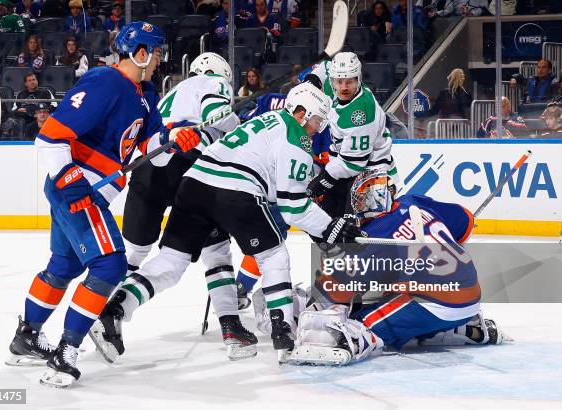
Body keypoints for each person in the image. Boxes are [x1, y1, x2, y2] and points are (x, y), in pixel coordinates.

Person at [89, 82, 366, 363]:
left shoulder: (265, 120)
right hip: (235, 190)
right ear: (301, 112)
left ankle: (114, 311)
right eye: (317, 120)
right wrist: (331, 227)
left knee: (171, 261)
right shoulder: (297, 138)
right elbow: (292, 207)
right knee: (273, 254)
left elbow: (273, 185)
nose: (317, 129)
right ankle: (285, 334)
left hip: (194, 183)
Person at [4, 22, 190, 388]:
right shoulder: (106, 82)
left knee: (64, 265)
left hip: (85, 191)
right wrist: (73, 185)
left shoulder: (145, 92)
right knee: (110, 266)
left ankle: (25, 337)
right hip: (78, 188)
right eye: (155, 53)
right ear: (139, 53)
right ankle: (65, 352)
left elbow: (151, 149)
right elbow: (50, 136)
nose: (159, 61)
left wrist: (174, 137)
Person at [89, 52, 253, 362]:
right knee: (214, 251)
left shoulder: (171, 93)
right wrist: (240, 124)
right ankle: (231, 325)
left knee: (134, 254)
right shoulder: (213, 81)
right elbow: (217, 114)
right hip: (192, 164)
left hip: (151, 165)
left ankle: (100, 313)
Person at [266, 169, 508, 366]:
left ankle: (449, 327)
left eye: (361, 199)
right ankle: (464, 327)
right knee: (393, 291)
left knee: (353, 327)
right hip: (472, 294)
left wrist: (308, 308)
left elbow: (336, 290)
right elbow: (466, 220)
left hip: (434, 302)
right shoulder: (416, 202)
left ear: (373, 198)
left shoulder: (375, 235)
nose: (358, 206)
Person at [305, 52, 398, 220]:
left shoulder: (361, 111)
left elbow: (354, 163)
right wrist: (312, 79)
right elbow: (324, 67)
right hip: (343, 169)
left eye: (350, 82)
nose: (344, 87)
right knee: (328, 227)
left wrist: (323, 178)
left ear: (359, 79)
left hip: (370, 173)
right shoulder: (334, 83)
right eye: (339, 81)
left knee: (363, 232)